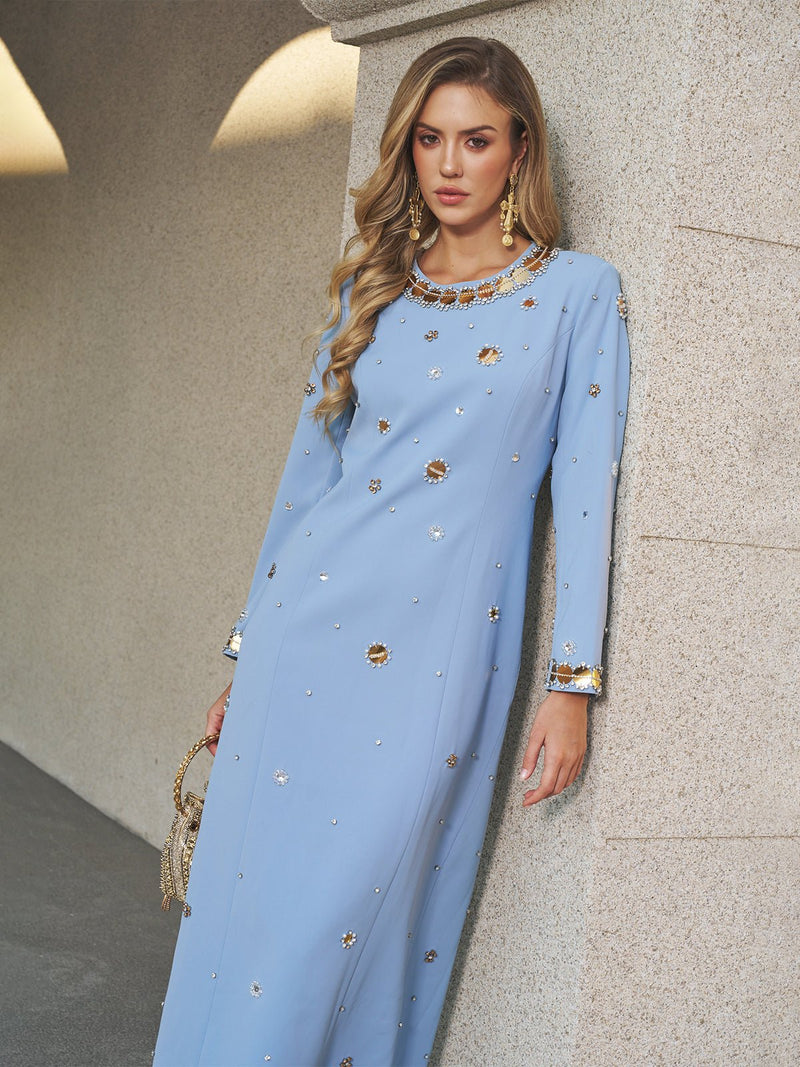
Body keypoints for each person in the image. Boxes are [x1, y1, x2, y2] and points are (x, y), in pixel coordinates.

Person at [154, 35, 630, 1067]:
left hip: (435, 664)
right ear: (406, 150)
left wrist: (571, 681)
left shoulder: (576, 297)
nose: (449, 164)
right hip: (300, 647)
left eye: (475, 140)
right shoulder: (375, 287)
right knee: (254, 929)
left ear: (519, 152)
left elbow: (585, 497)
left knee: (347, 925)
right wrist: (242, 659)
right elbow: (303, 489)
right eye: (428, 139)